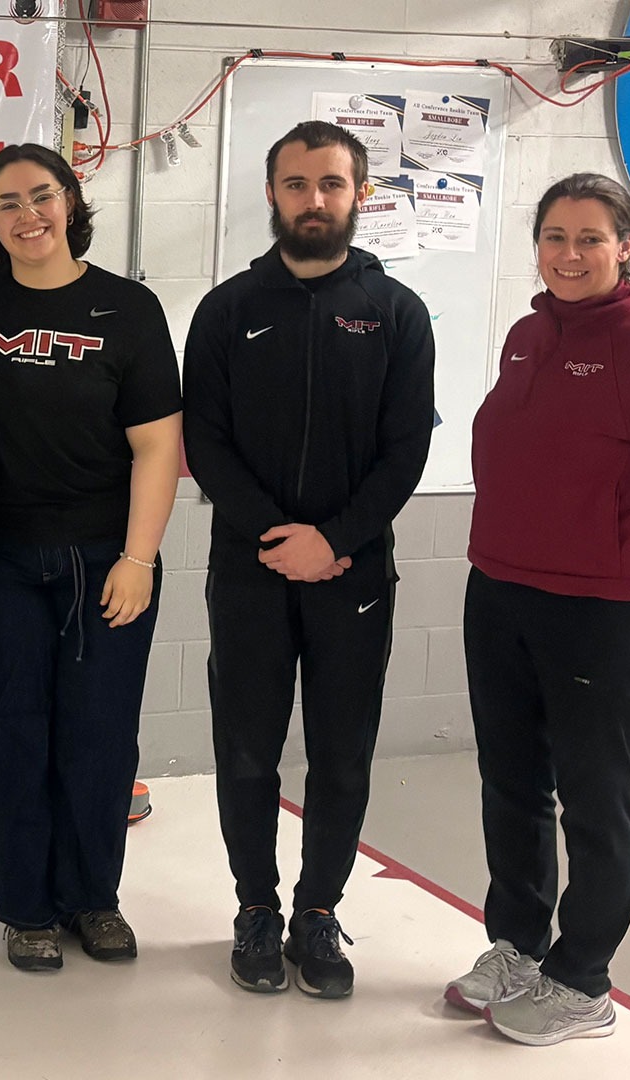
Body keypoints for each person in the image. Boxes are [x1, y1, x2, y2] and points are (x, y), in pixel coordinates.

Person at [445, 173, 630, 1045]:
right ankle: (519, 945)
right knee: (512, 783)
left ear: (625, 246)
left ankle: (583, 980)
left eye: (590, 239)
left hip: (601, 609)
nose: (569, 255)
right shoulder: (531, 335)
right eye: (555, 238)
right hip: (500, 588)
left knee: (594, 798)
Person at [183, 120, 435, 1000]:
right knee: (247, 751)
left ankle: (319, 911)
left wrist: (337, 541)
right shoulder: (227, 311)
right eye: (297, 184)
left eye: (331, 183)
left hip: (354, 576)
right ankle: (256, 909)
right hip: (249, 572)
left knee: (342, 754)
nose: (314, 200)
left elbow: (406, 451)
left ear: (359, 193)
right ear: (272, 195)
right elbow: (205, 443)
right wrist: (276, 539)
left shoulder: (399, 313)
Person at [0, 144, 183, 972]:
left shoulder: (129, 308)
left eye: (42, 196)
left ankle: (92, 898)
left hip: (104, 560)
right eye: (6, 204)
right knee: (9, 734)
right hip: (0, 559)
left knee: (99, 735)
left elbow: (157, 447)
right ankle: (27, 910)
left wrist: (139, 560)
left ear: (72, 203)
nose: (27, 214)